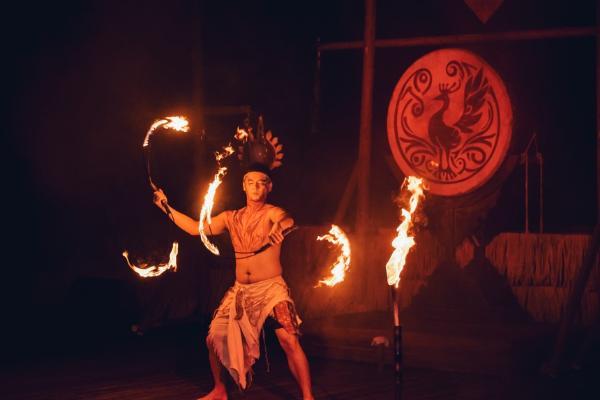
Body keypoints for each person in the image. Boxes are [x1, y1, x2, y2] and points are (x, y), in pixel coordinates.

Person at [153, 163, 314, 400]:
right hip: (241, 292)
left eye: (261, 182)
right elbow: (193, 229)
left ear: (269, 187)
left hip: (271, 289)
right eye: (251, 182)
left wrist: (281, 228)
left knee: (289, 340)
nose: (256, 186)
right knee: (214, 338)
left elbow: (289, 220)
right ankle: (219, 390)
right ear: (244, 186)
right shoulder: (231, 217)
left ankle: (308, 397)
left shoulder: (273, 213)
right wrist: (165, 207)